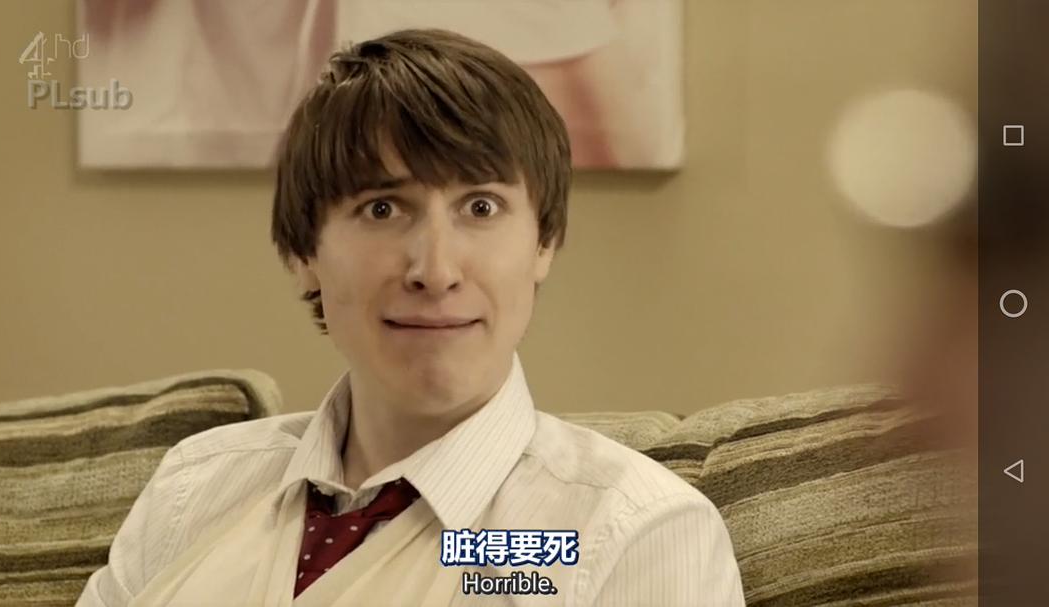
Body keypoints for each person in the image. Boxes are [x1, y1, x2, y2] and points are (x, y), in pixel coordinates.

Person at [77, 29, 744, 606]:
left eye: (480, 207)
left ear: (543, 243)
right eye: (382, 209)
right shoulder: (193, 489)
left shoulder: (631, 532)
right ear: (305, 253)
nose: (436, 269)